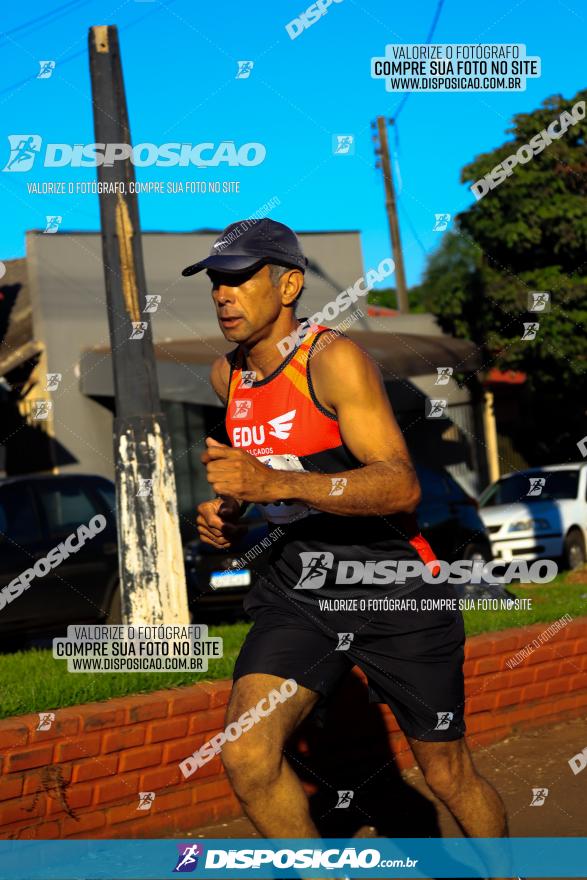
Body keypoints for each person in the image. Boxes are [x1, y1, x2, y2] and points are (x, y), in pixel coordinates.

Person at [183, 219, 508, 841]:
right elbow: (264, 477)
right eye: (216, 282)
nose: (222, 295)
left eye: (238, 279)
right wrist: (229, 514)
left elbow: (400, 484)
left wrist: (278, 486)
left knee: (447, 774)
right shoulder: (229, 378)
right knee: (247, 756)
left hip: (390, 586)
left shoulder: (333, 360)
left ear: (288, 286)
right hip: (297, 595)